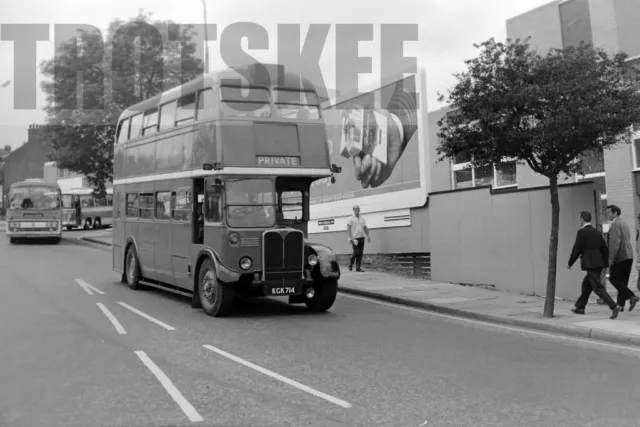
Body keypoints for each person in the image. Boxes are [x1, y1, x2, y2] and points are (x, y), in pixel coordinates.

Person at [568, 211, 621, 319]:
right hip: (598, 263)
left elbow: (576, 249)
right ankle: (580, 307)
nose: (580, 221)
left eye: (580, 219)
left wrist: (570, 262)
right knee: (586, 285)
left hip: (590, 263)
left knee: (597, 287)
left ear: (582, 219)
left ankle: (614, 306)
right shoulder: (597, 232)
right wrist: (605, 263)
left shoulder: (582, 232)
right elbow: (604, 248)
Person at [605, 205, 638, 311]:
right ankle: (620, 305)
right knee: (622, 281)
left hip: (621, 256)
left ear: (615, 213)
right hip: (629, 255)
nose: (607, 214)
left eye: (609, 212)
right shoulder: (624, 223)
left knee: (613, 279)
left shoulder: (615, 224)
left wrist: (610, 259)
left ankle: (632, 296)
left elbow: (615, 243)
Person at [346, 205, 370, 272]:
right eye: (356, 210)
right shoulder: (351, 218)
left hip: (362, 238)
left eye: (358, 210)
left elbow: (365, 227)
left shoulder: (362, 218)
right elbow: (348, 228)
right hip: (355, 238)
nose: (357, 211)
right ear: (353, 210)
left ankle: (358, 268)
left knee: (360, 253)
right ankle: (350, 264)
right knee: (356, 252)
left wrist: (368, 236)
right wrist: (350, 238)